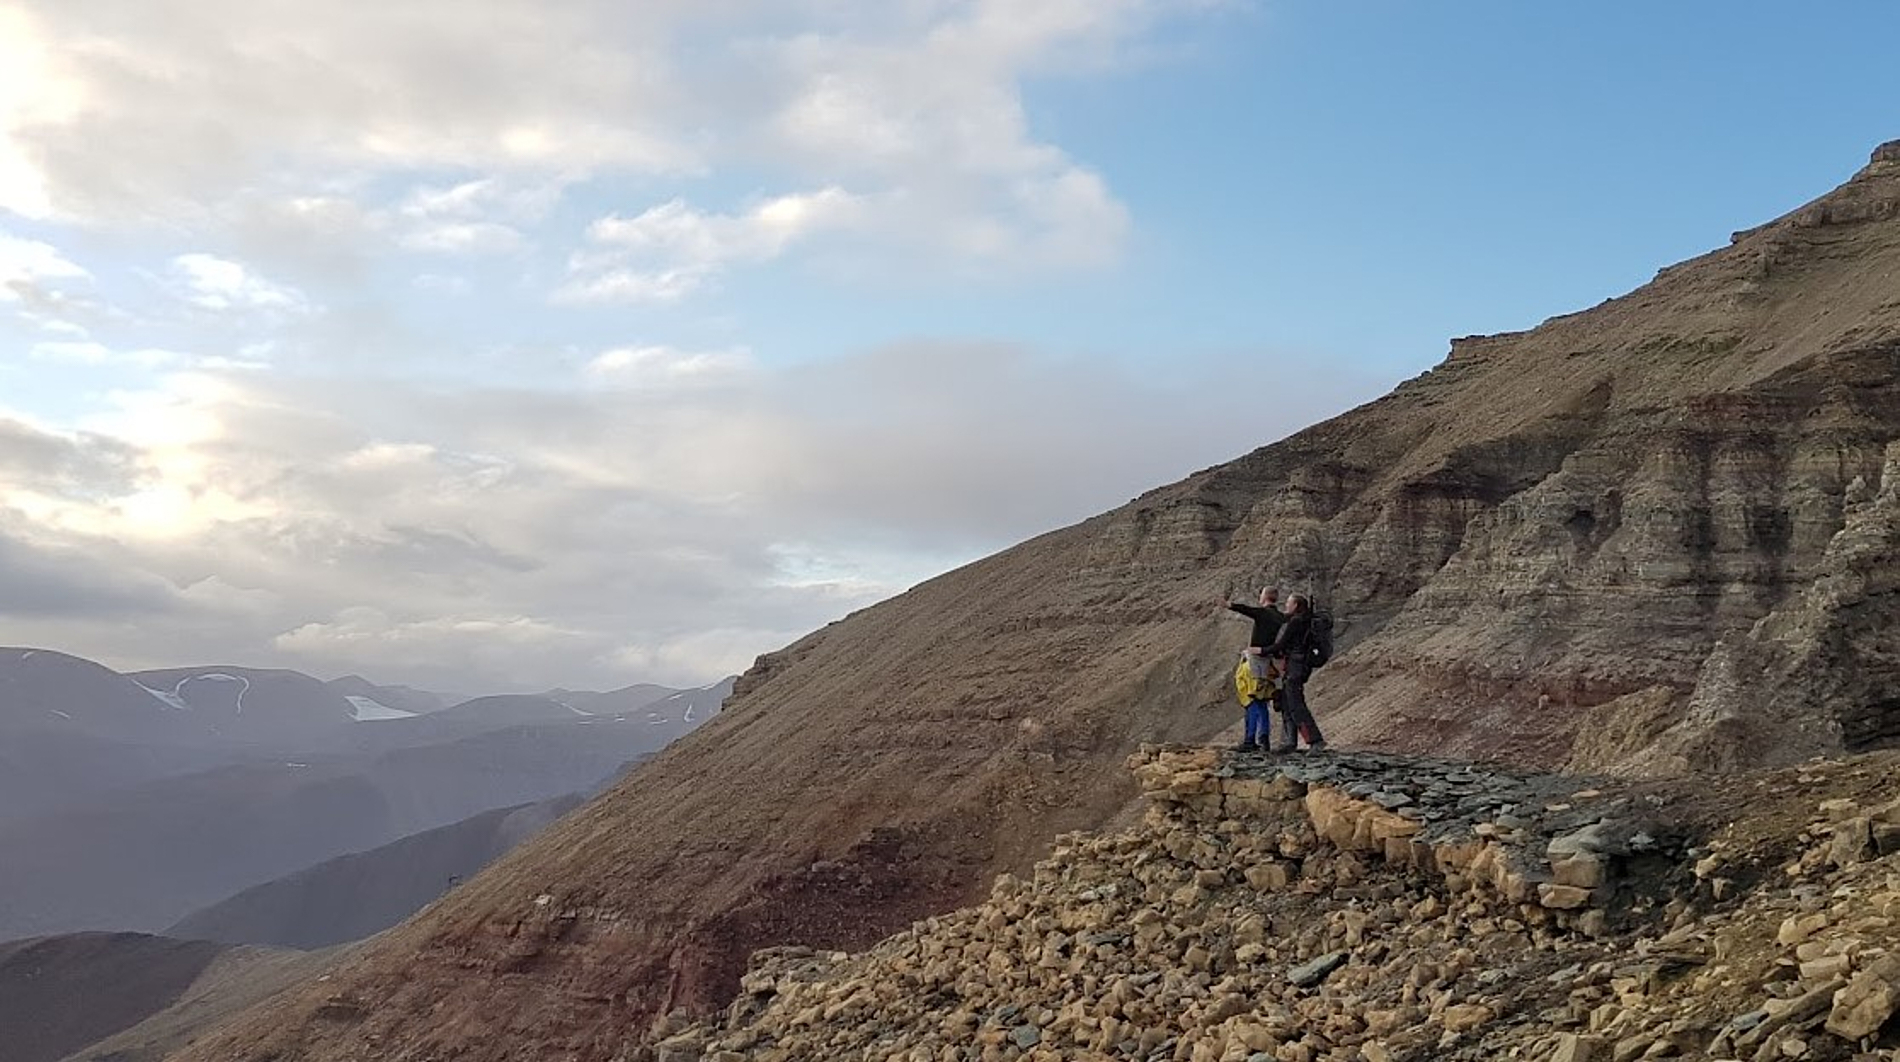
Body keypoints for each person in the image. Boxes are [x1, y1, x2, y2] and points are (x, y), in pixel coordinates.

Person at [1220, 587, 1283, 751]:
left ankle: (1250, 739)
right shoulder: (1280, 617)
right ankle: (1264, 738)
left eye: (1261, 594)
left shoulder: (1263, 613)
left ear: (1265, 597)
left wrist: (1229, 605)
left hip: (1255, 662)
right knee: (1262, 701)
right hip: (1269, 664)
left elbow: (1247, 610)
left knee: (1251, 700)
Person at [1267, 594, 1327, 753]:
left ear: (1295, 606)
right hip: (1298, 667)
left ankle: (1315, 741)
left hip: (1295, 668)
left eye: (1289, 603)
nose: (1286, 605)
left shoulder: (1296, 622)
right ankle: (1289, 742)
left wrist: (1260, 650)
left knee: (1295, 705)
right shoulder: (1305, 621)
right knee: (1287, 703)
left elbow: (1281, 645)